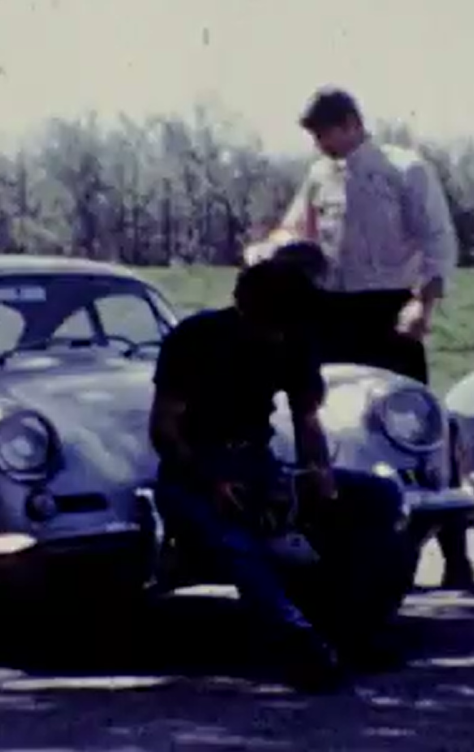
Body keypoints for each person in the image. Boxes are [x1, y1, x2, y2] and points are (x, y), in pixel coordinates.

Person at [245, 86, 474, 590]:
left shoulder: (405, 169)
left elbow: (439, 241)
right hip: (330, 310)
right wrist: (269, 250)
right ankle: (344, 549)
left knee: (416, 428)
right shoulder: (319, 175)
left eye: (323, 134)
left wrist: (424, 303)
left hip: (388, 308)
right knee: (325, 420)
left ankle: (454, 551)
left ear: (350, 123)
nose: (319, 146)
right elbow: (296, 229)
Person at [148, 258, 346, 693]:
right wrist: (208, 480)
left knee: (376, 500)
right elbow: (164, 428)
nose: (278, 334)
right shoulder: (194, 340)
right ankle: (297, 640)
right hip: (192, 470)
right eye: (271, 322)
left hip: (258, 461)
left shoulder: (295, 341)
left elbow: (307, 418)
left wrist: (319, 472)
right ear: (247, 309)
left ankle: (354, 626)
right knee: (236, 540)